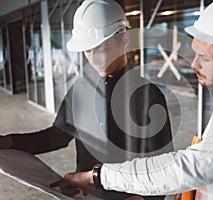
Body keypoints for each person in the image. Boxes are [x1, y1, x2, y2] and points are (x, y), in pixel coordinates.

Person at [52, 0, 213, 199]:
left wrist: (97, 177)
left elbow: (188, 167)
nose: (193, 64)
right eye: (194, 53)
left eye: (204, 57)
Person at [0, 0, 173, 199]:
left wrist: (145, 199)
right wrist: (10, 142)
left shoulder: (147, 95)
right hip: (85, 193)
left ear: (124, 39)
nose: (93, 58)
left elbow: (162, 166)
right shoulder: (80, 90)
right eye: (87, 50)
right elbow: (58, 135)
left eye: (100, 48)